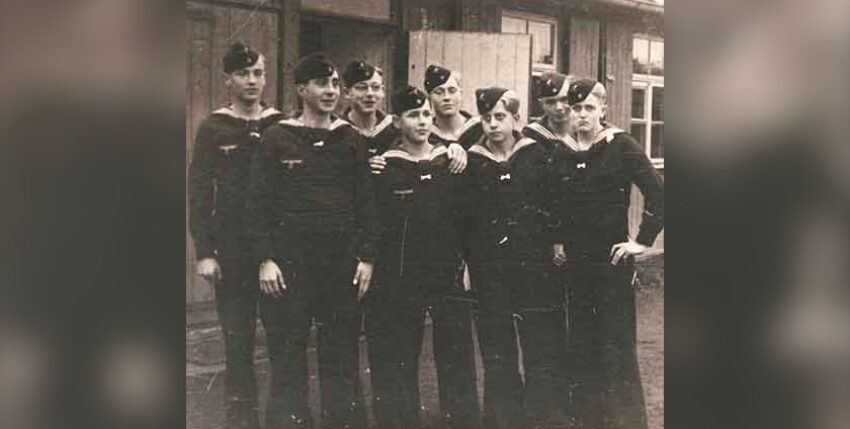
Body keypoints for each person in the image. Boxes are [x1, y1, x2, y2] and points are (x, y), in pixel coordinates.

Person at [247, 53, 379, 429]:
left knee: (342, 360)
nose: (331, 91)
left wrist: (366, 258)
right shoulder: (277, 138)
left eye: (336, 84)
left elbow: (366, 205)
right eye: (322, 83)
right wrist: (265, 259)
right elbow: (256, 205)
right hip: (289, 266)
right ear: (301, 88)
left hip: (340, 265)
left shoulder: (350, 139)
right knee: (287, 358)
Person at [365, 85, 481, 429]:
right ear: (397, 121)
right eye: (414, 115)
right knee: (399, 354)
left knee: (457, 354)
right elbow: (375, 222)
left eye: (427, 114)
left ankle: (461, 420)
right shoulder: (385, 166)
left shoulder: (452, 161)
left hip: (446, 271)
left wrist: (468, 265)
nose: (422, 121)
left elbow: (467, 219)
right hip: (400, 276)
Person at [556, 79, 664, 429]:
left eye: (588, 107)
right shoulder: (562, 151)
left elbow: (659, 194)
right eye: (576, 108)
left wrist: (642, 240)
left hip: (612, 264)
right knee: (582, 349)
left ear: (603, 109)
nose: (582, 114)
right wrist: (556, 239)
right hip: (575, 266)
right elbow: (550, 201)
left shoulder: (621, 145)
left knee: (616, 350)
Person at [187, 42, 284, 429]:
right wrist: (204, 252)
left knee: (283, 344)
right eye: (243, 74)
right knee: (239, 345)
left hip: (277, 251)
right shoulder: (213, 127)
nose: (252, 81)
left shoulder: (281, 125)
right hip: (232, 251)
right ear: (227, 80)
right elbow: (198, 193)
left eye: (258, 73)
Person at [464, 87, 567, 429]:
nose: (493, 125)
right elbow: (462, 215)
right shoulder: (471, 160)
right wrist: (466, 261)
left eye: (500, 117)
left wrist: (555, 243)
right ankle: (504, 418)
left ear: (516, 119)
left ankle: (543, 416)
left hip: (533, 263)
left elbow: (553, 203)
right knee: (497, 345)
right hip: (489, 266)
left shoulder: (536, 155)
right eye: (487, 117)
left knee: (540, 340)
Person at [341, 60, 398, 156]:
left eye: (375, 87)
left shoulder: (394, 128)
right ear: (347, 93)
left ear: (382, 91)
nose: (370, 94)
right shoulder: (337, 130)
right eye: (362, 87)